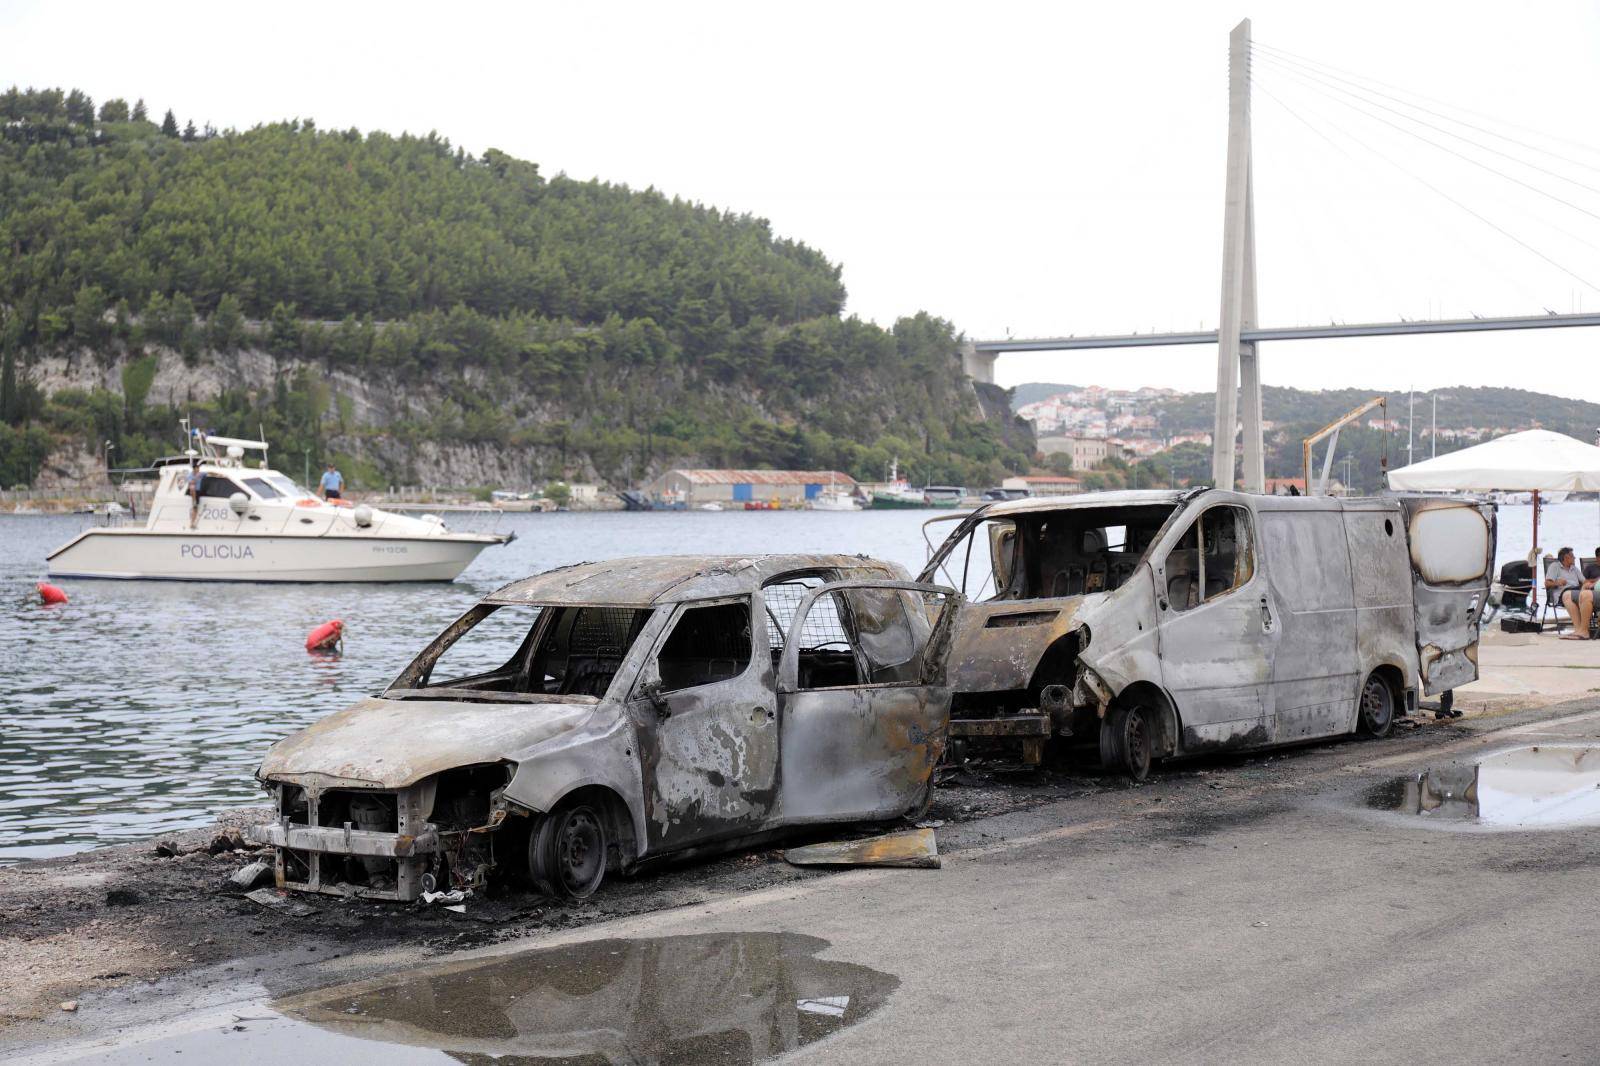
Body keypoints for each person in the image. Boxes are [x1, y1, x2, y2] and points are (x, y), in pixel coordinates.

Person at [1545, 547, 1595, 639]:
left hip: (1577, 590)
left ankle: (1583, 630)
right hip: (1563, 593)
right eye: (1573, 556)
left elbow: (1584, 581)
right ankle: (1579, 629)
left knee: (1587, 592)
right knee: (1573, 594)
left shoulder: (1574, 568)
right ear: (1566, 557)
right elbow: (1547, 584)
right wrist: (1557, 582)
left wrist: (1591, 584)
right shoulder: (1554, 566)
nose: (1575, 558)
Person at [185, 458, 204, 528]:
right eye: (197, 468)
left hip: (198, 492)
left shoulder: (201, 474)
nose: (198, 469)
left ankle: (195, 502)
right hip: (192, 491)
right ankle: (194, 501)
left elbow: (208, 473)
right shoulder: (190, 475)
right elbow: (191, 482)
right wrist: (197, 477)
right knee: (192, 487)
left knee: (195, 509)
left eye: (199, 468)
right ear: (194, 469)